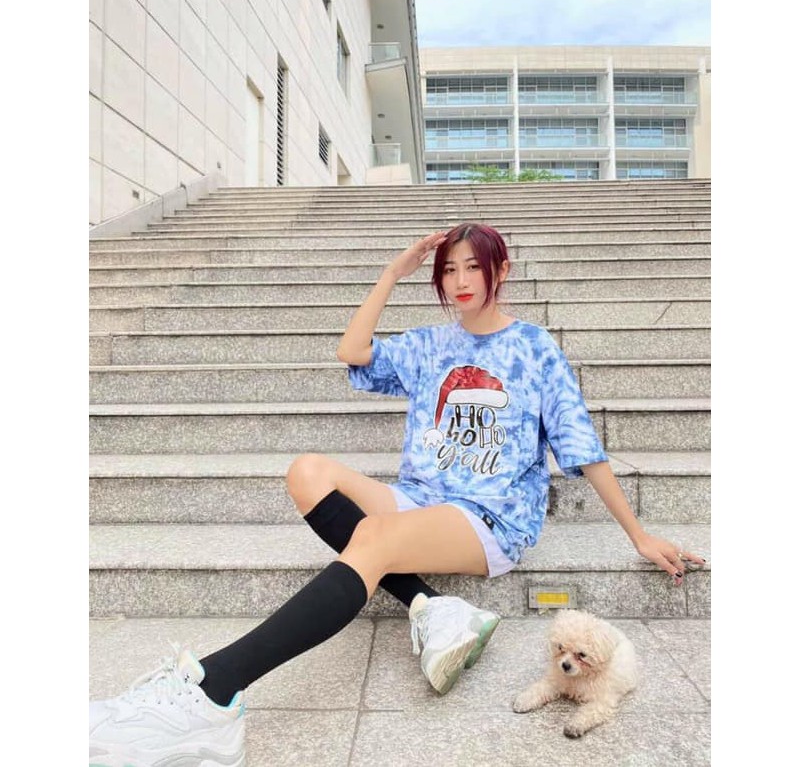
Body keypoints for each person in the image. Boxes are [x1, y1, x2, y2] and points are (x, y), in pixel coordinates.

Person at [89, 222, 705, 766]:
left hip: (491, 514)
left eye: (473, 267)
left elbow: (581, 446)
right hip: (420, 495)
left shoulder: (535, 348)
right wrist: (393, 272)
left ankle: (212, 691)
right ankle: (430, 606)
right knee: (307, 472)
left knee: (374, 536)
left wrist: (638, 534)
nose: (460, 281)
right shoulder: (430, 344)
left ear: (501, 271)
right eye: (449, 270)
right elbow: (352, 351)